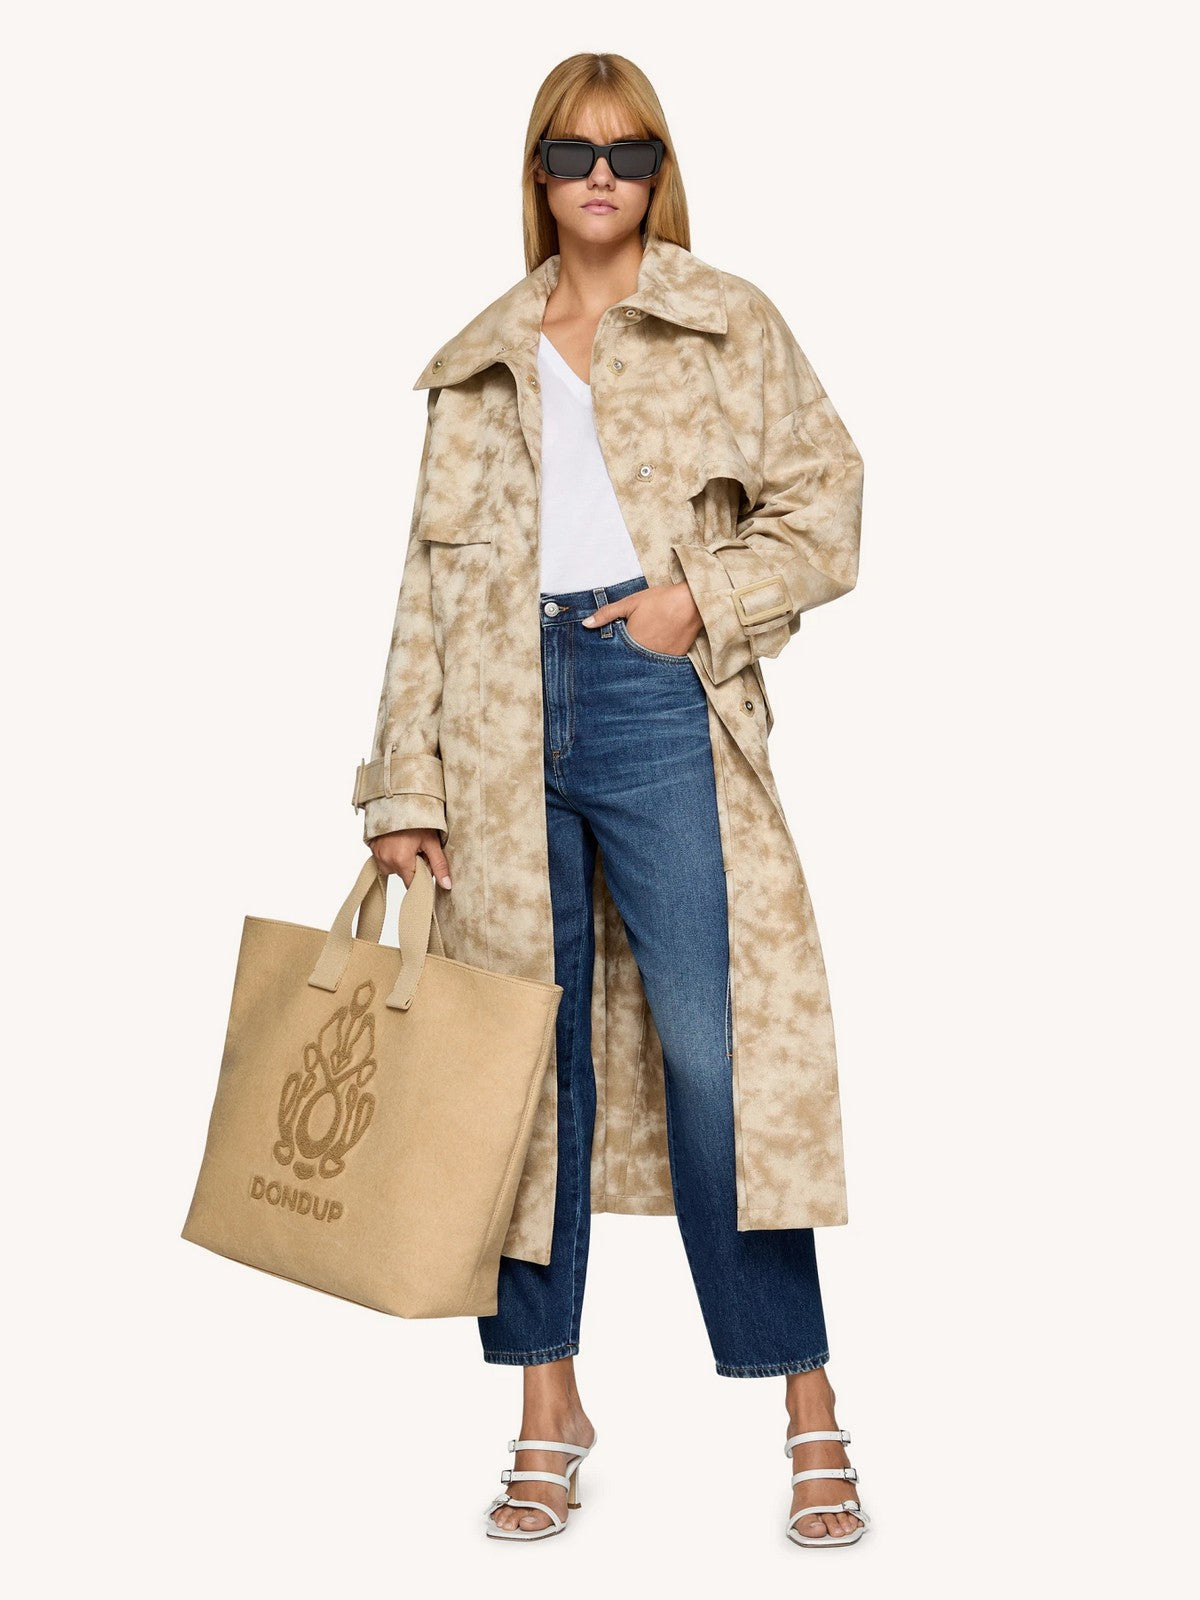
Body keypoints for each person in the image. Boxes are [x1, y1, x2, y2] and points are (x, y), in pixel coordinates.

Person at [357, 52, 869, 1548]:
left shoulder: (725, 321)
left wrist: (697, 599)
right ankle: (545, 1403)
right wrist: (404, 782)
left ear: (659, 169)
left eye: (630, 150)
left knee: (721, 1061)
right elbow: (423, 590)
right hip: (495, 720)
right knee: (514, 1069)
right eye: (576, 151)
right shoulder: (479, 363)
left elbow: (828, 501)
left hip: (655, 694)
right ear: (538, 170)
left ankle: (808, 1399)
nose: (602, 173)